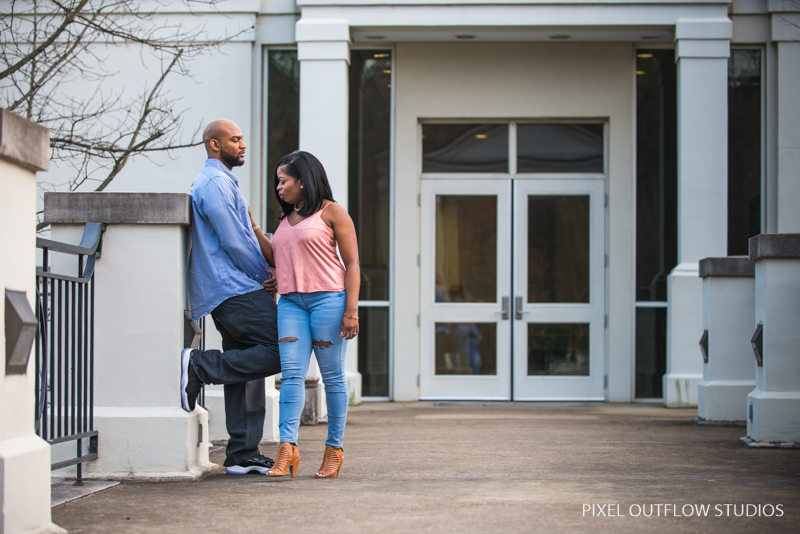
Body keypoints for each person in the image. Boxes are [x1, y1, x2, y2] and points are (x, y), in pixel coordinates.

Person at [180, 119, 282, 475]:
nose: (242, 145)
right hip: (235, 289)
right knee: (286, 347)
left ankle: (241, 453)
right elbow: (233, 241)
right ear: (214, 145)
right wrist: (266, 275)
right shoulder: (214, 183)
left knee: (246, 366)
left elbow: (243, 234)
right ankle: (199, 365)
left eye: (242, 139)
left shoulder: (222, 181)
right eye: (234, 139)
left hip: (231, 290)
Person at [264, 151, 360, 479]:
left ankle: (334, 450)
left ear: (303, 181)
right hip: (290, 303)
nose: (278, 187)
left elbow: (353, 265)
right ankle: (287, 449)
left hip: (328, 303)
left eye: (284, 180)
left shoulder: (332, 213)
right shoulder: (283, 220)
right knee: (291, 377)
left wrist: (351, 311)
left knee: (331, 378)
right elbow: (282, 255)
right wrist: (251, 227)